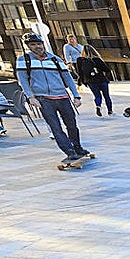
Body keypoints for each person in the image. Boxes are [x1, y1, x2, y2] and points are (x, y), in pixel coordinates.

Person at [15, 33, 89, 163]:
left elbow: (67, 78)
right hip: (44, 98)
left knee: (72, 125)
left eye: (39, 43)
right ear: (28, 46)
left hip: (62, 96)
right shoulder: (24, 60)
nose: (37, 46)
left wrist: (76, 95)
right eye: (33, 44)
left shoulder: (55, 59)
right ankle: (69, 151)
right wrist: (30, 97)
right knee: (55, 127)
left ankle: (77, 147)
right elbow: (23, 80)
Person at [74, 45, 113, 116]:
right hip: (102, 79)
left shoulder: (80, 60)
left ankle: (98, 106)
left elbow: (80, 72)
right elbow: (107, 69)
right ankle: (110, 111)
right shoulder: (97, 59)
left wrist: (81, 82)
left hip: (91, 81)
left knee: (97, 96)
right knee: (106, 96)